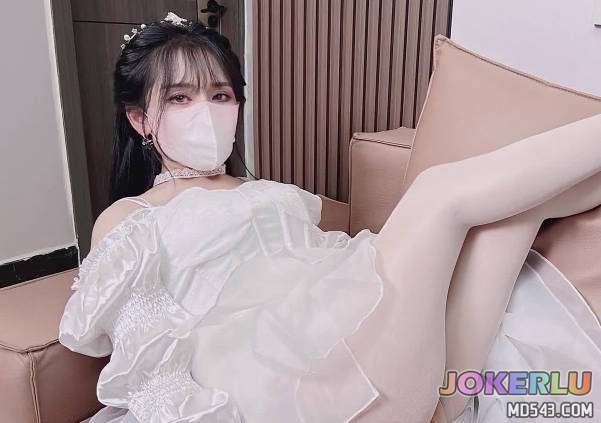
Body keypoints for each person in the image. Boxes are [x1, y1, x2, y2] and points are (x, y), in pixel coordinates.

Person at [59, 12, 601, 423]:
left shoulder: (277, 195)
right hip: (268, 370)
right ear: (140, 119)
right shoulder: (131, 217)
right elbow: (143, 352)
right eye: (180, 98)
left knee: (510, 217)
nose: (206, 110)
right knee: (439, 192)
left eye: (220, 95)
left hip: (387, 359)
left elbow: (367, 247)